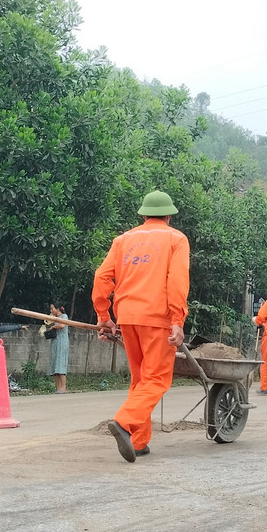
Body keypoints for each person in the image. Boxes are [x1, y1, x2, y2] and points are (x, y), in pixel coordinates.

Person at [93, 190, 190, 463]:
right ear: (169, 215)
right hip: (157, 318)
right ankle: (124, 422)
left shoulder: (123, 240)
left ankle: (138, 440)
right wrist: (177, 321)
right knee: (157, 379)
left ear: (144, 215)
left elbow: (102, 276)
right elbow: (178, 282)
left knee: (141, 381)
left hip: (127, 317)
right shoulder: (176, 239)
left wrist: (104, 315)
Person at [47, 303, 70, 394]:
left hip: (62, 342)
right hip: (55, 342)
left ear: (57, 309)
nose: (51, 310)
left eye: (52, 308)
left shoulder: (64, 316)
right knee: (55, 365)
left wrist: (53, 326)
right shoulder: (54, 318)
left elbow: (62, 326)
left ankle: (63, 388)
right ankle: (58, 388)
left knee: (61, 364)